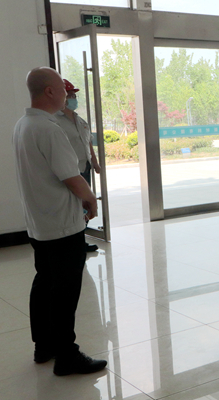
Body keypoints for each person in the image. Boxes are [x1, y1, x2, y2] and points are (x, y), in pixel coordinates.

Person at [12, 67, 107, 375]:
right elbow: (72, 177)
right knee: (65, 291)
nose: (68, 96)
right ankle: (67, 355)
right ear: (50, 91)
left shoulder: (23, 125)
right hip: (62, 224)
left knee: (44, 283)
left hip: (39, 223)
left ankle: (44, 346)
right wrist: (91, 199)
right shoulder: (50, 129)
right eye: (64, 90)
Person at [55, 79, 101, 252]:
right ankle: (73, 243)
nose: (73, 99)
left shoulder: (80, 121)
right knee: (73, 205)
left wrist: (95, 163)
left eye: (74, 96)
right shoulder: (55, 121)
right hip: (70, 171)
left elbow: (88, 143)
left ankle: (81, 241)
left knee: (85, 205)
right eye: (70, 95)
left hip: (84, 168)